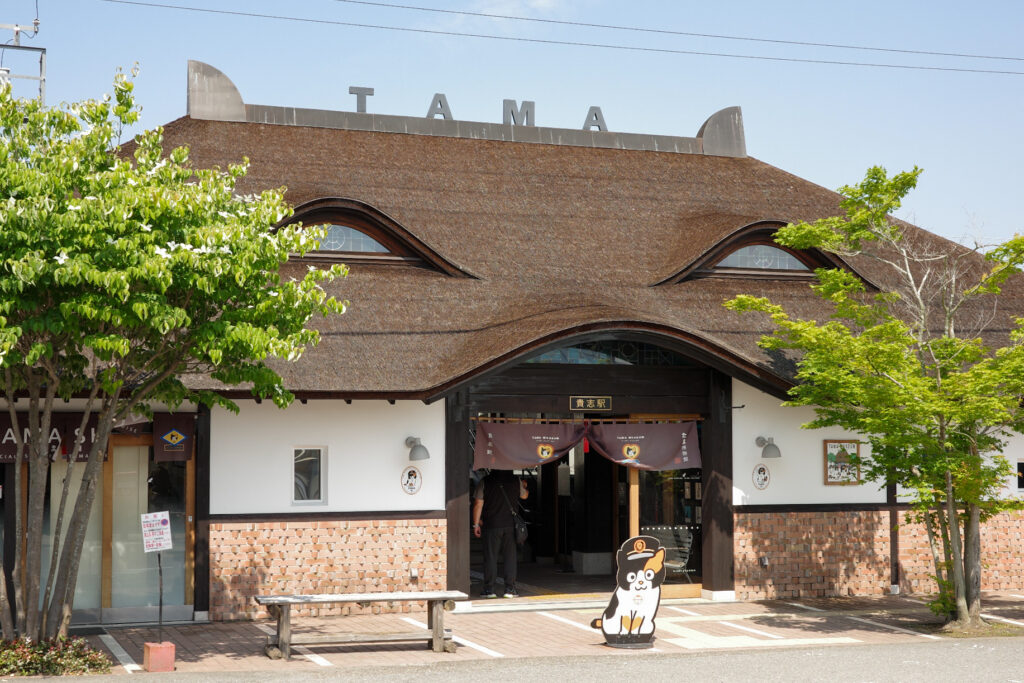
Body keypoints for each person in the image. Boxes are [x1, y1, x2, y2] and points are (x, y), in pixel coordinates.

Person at [472, 469, 528, 598]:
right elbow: (524, 496)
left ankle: (489, 590)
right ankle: (510, 589)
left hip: (491, 525)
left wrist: (475, 524)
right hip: (510, 526)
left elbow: (478, 504)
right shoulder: (515, 480)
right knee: (510, 558)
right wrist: (524, 486)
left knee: (490, 558)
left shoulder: (485, 481)